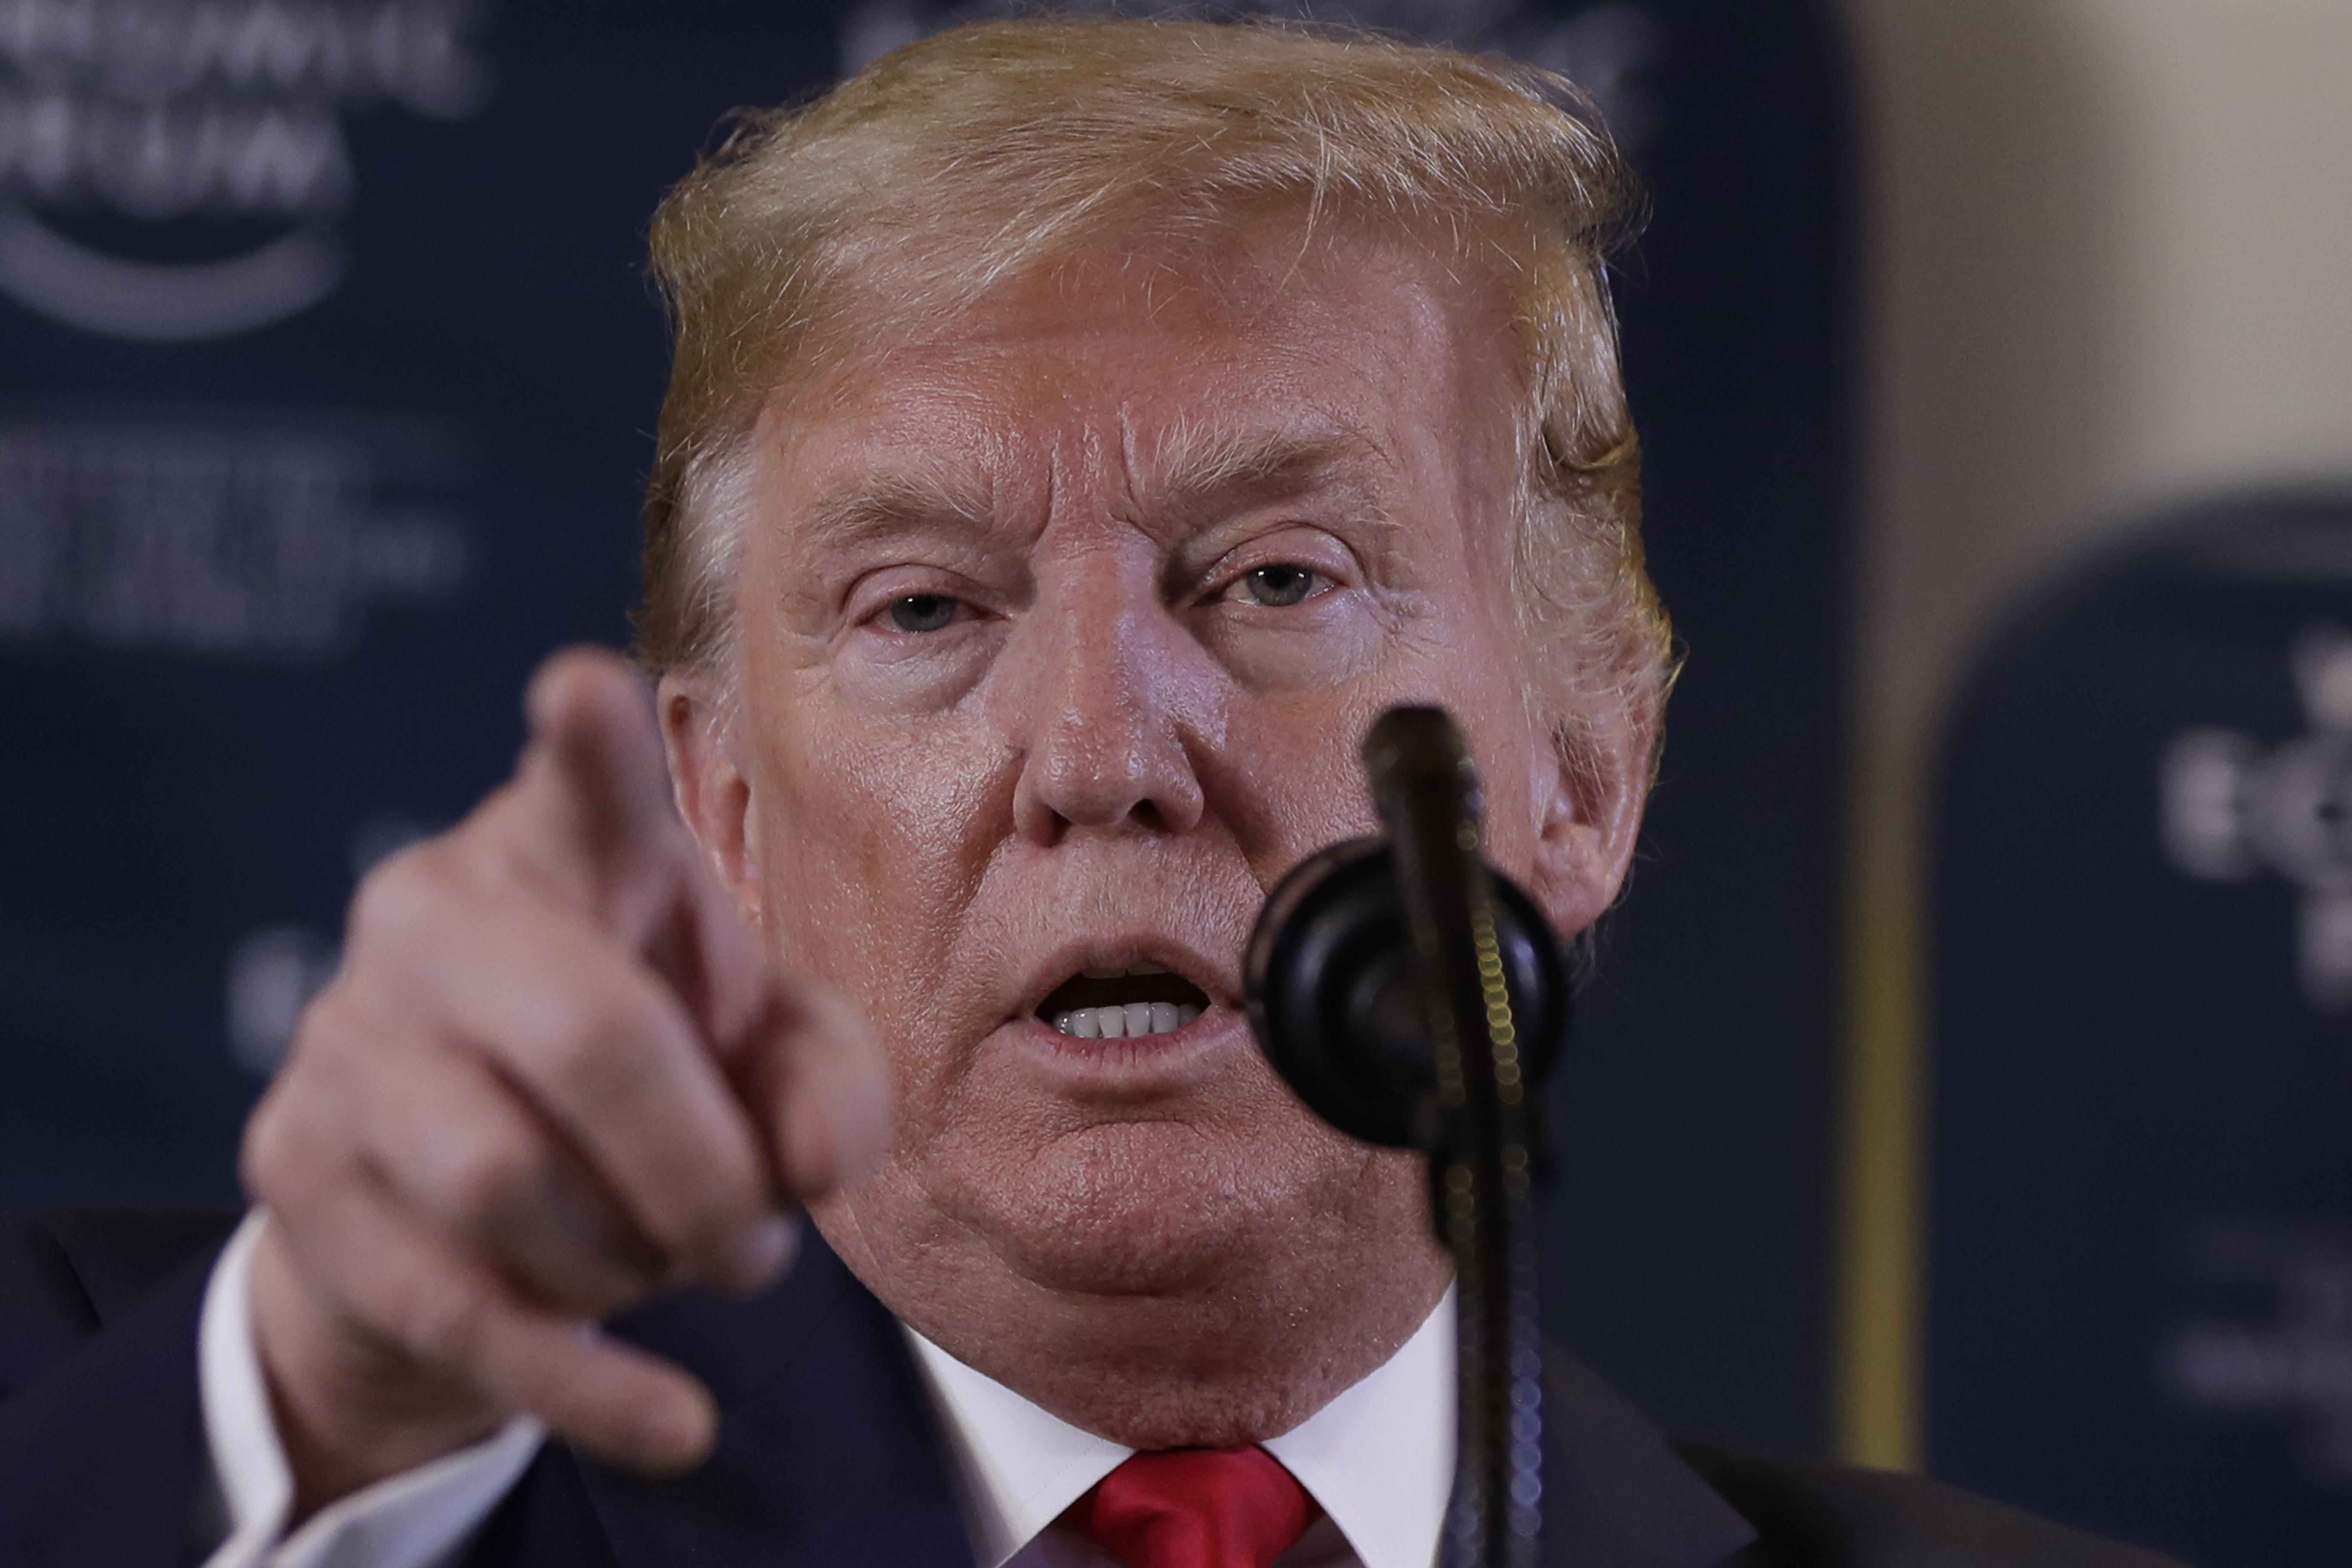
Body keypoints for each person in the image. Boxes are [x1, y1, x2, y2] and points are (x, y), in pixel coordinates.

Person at [0, 17, 2180, 1568]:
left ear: (1586, 769)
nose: (1104, 760)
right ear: (727, 814)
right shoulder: (223, 1434)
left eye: (1276, 579)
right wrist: (321, 1397)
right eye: (928, 607)